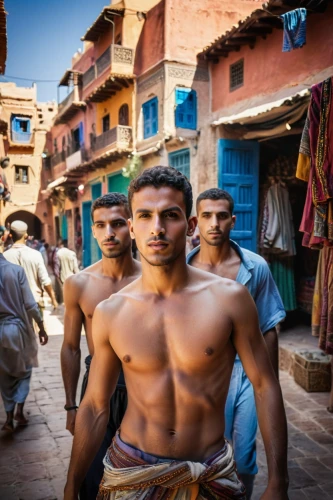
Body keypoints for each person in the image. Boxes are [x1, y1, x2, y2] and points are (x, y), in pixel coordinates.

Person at [64, 166, 289, 500]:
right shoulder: (112, 312)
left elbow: (264, 384)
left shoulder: (229, 299)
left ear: (190, 225)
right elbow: (96, 404)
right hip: (132, 470)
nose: (157, 228)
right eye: (144, 216)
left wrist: (278, 481)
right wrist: (71, 485)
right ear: (132, 226)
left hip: (209, 470)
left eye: (170, 215)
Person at [186, 188, 286, 499]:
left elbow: (269, 326)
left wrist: (269, 382)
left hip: (246, 373)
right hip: (200, 374)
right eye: (207, 216)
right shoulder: (182, 271)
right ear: (195, 223)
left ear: (233, 220)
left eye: (221, 216)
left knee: (242, 456)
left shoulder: (256, 268)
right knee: (203, 454)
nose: (214, 223)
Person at [61, 193, 141, 500]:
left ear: (131, 227)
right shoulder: (79, 284)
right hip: (96, 384)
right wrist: (71, 405)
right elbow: (70, 347)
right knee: (93, 478)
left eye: (118, 224)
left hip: (142, 384)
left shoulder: (151, 278)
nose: (109, 232)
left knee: (139, 475)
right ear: (93, 230)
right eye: (101, 225)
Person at [0, 228, 48, 432]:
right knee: (24, 370)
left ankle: (9, 417)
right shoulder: (15, 271)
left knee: (4, 375)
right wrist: (42, 327)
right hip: (17, 329)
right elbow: (30, 305)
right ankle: (19, 409)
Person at [4, 221, 58, 312]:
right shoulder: (36, 255)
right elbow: (45, 280)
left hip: (12, 307)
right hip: (34, 303)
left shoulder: (4, 257)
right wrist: (53, 298)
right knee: (37, 326)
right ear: (26, 236)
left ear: (10, 235)